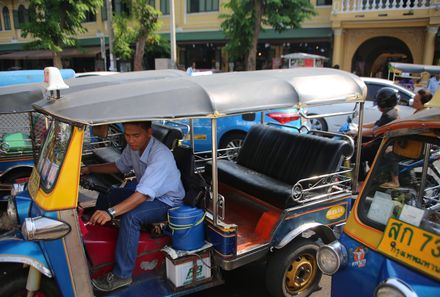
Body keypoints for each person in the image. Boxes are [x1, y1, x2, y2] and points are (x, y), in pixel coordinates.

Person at [81, 121, 185, 292]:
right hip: (148, 195)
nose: (130, 140)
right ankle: (101, 234)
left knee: (131, 217)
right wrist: (90, 169)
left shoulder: (160, 156)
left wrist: (110, 212)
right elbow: (118, 166)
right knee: (111, 193)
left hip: (167, 201)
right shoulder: (134, 147)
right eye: (127, 135)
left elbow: (143, 195)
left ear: (149, 132)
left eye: (135, 135)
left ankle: (122, 275)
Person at [352, 87, 400, 181]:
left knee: (354, 154)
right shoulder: (391, 112)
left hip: (380, 146)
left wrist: (356, 132)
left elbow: (375, 131)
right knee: (360, 143)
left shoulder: (389, 115)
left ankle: (360, 180)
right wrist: (359, 126)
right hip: (380, 142)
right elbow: (376, 123)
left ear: (383, 103)